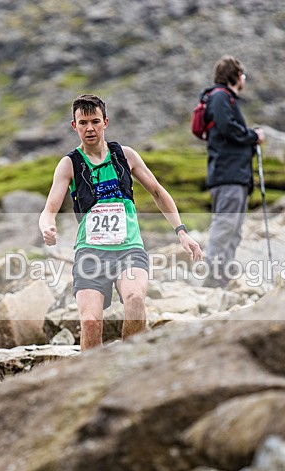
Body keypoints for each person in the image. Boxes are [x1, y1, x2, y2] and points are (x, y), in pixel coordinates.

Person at [39, 94, 203, 350]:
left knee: (135, 299)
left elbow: (158, 192)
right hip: (90, 253)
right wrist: (47, 227)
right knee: (91, 322)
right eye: (83, 123)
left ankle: (130, 365)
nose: (89, 128)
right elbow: (49, 209)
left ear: (105, 122)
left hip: (129, 249)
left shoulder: (125, 156)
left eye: (95, 121)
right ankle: (90, 379)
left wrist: (181, 232)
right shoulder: (68, 164)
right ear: (74, 126)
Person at [201, 55, 265, 288]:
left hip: (235, 175)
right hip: (229, 174)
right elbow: (228, 128)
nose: (244, 80)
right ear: (236, 76)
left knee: (234, 228)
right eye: (243, 75)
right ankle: (212, 277)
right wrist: (253, 136)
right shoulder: (220, 97)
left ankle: (222, 278)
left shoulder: (223, 98)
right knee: (226, 224)